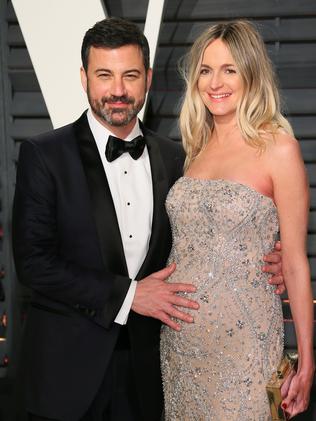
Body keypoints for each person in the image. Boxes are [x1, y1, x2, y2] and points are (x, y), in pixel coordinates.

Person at [12, 18, 285, 421]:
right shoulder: (44, 155)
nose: (118, 90)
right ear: (84, 77)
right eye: (104, 75)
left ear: (148, 79)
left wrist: (264, 259)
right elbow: (34, 264)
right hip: (66, 378)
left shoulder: (179, 157)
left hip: (154, 374)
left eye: (130, 75)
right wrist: (129, 295)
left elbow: (205, 235)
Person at [160, 20, 315, 420]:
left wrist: (307, 360)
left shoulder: (279, 149)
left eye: (229, 69)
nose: (215, 82)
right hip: (180, 349)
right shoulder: (194, 147)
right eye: (206, 71)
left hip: (246, 350)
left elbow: (295, 262)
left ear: (250, 74)